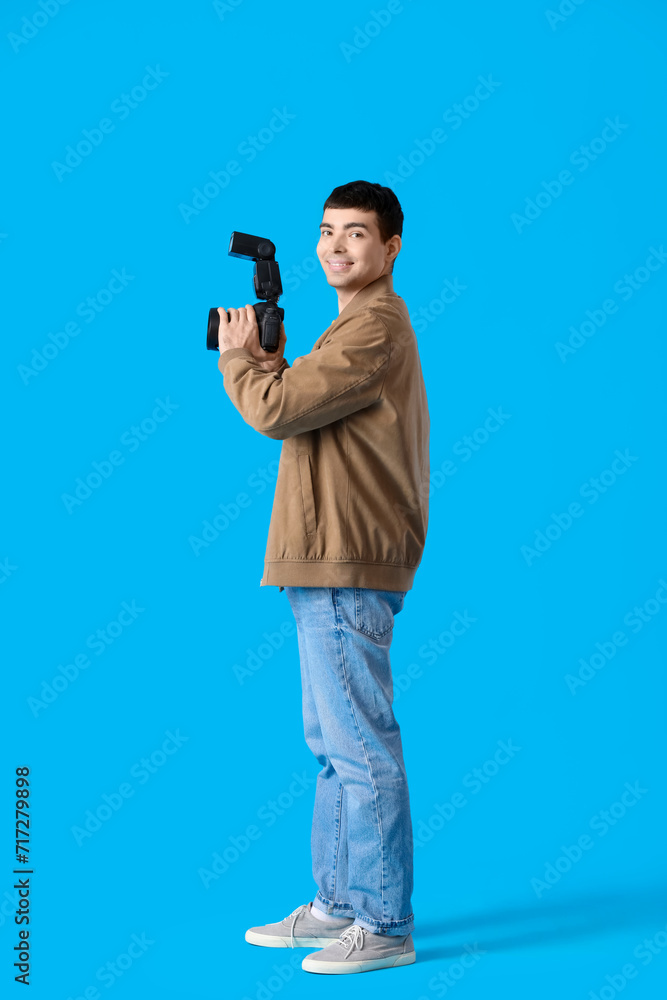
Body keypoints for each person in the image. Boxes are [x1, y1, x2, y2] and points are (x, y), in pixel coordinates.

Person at [217, 180, 430, 975]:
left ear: (390, 248)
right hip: (324, 558)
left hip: (347, 560)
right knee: (332, 745)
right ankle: (340, 901)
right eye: (326, 232)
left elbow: (276, 410)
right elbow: (301, 406)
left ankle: (383, 921)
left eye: (356, 234)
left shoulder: (373, 326)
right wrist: (270, 361)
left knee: (360, 747)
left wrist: (242, 363)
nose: (336, 247)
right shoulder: (349, 326)